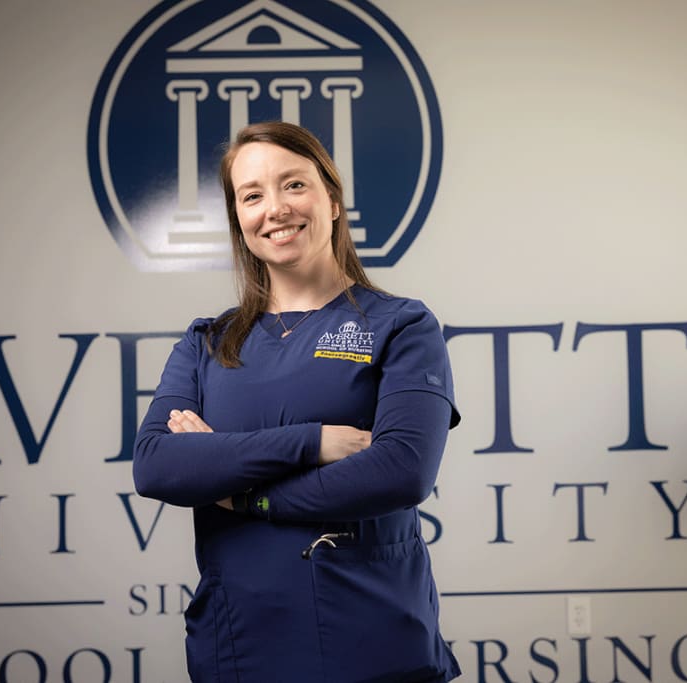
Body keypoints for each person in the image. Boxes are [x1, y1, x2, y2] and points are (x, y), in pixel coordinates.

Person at [133, 120, 461, 682]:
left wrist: (246, 495)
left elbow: (401, 471)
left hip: (373, 641)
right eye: (252, 195)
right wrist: (312, 442)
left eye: (294, 185)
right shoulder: (208, 343)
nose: (275, 208)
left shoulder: (401, 326)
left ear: (331, 200)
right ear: (240, 219)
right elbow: (158, 465)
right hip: (241, 646)